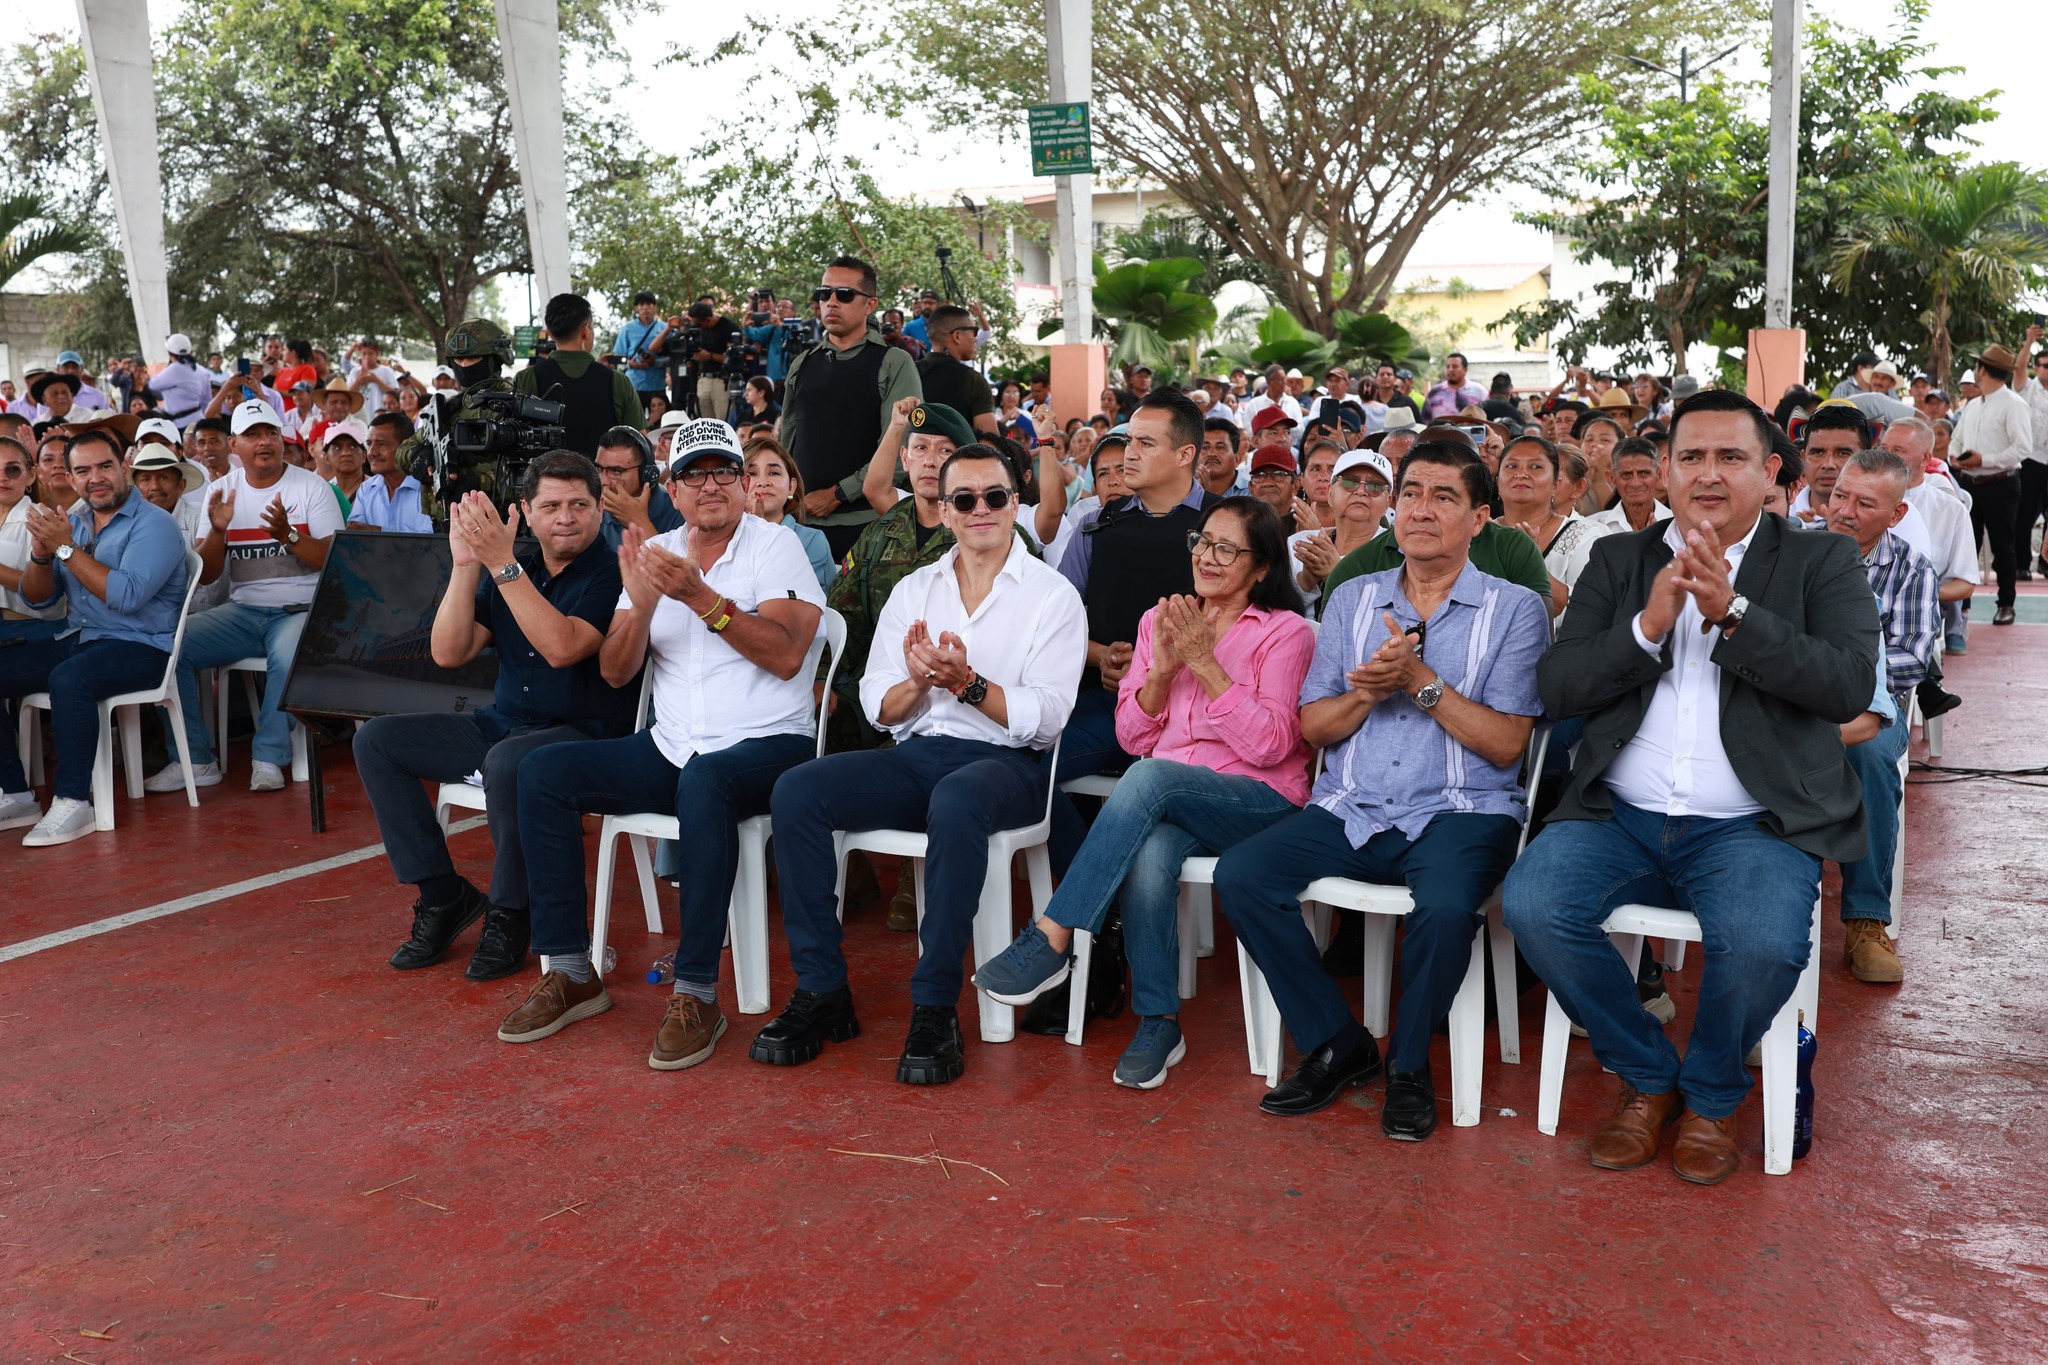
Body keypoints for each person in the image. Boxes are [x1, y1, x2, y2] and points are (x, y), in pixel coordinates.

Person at [1503, 389, 1881, 1186]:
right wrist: (1646, 628)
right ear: (1666, 470)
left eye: (1730, 456)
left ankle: (1711, 1092)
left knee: (1763, 942)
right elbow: (1559, 686)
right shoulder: (1621, 559)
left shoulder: (1820, 560)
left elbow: (1847, 685)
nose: (1708, 474)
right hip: (1620, 814)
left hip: (1753, 822)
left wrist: (1734, 612)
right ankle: (1648, 1074)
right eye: (1691, 457)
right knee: (1533, 903)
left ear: (1769, 471)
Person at [1214, 440, 1550, 1140]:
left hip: (1461, 808)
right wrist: (1368, 693)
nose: (1421, 509)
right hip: (1354, 804)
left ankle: (1408, 1063)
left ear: (1479, 518)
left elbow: (1507, 744)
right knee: (1242, 873)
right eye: (1413, 493)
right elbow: (1314, 725)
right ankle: (1338, 1041)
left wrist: (1418, 682)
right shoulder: (1353, 598)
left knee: (1446, 907)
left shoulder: (1516, 608)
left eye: (1444, 496)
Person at [758, 443, 1087, 1085]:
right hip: (920, 754)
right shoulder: (917, 589)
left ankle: (935, 1005)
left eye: (995, 496)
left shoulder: (1053, 596)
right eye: (964, 499)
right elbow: (879, 705)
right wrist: (917, 681)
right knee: (798, 789)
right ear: (945, 509)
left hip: (1011, 765)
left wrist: (967, 685)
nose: (981, 509)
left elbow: (1047, 718)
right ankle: (822, 988)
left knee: (958, 799)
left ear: (1015, 503)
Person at [500, 423, 827, 1058]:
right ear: (671, 491)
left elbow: (789, 656)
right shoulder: (655, 552)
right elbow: (615, 671)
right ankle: (570, 970)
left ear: (743, 484)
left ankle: (697, 992)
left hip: (771, 743)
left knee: (708, 777)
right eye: (694, 475)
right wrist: (644, 606)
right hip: (674, 744)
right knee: (541, 772)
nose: (711, 486)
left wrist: (702, 598)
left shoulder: (776, 546)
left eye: (724, 471)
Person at [974, 497, 1314, 1085]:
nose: (1207, 557)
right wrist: (1161, 672)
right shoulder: (1160, 622)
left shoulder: (1287, 633)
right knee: (1150, 853)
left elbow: (1271, 745)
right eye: (1201, 542)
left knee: (1149, 778)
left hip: (1259, 799)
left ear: (1262, 567)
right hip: (1171, 798)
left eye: (1226, 549)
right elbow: (1132, 736)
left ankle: (1053, 934)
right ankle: (1159, 1021)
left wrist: (1205, 665)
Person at [353, 451, 632, 980]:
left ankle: (511, 911)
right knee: (377, 741)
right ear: (525, 511)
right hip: (504, 725)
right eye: (551, 506)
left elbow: (563, 648)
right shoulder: (517, 566)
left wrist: (502, 566)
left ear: (600, 510)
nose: (566, 518)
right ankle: (443, 897)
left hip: (587, 735)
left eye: (579, 505)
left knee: (509, 762)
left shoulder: (613, 572)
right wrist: (464, 566)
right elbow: (448, 652)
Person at [0, 428, 190, 844]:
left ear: (125, 467)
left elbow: (126, 596)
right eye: (83, 471)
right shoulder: (77, 521)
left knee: (70, 678)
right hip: (82, 637)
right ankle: (14, 793)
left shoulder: (154, 524)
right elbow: (38, 598)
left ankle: (74, 801)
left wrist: (65, 549)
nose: (96, 478)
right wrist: (41, 556)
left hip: (142, 647)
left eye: (105, 466)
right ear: (70, 479)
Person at [1053, 389, 1217, 865]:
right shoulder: (1096, 526)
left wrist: (1153, 673)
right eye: (1129, 441)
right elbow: (1055, 624)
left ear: (1184, 454)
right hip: (1107, 704)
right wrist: (1100, 656)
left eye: (1145, 443)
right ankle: (1094, 892)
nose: (1129, 453)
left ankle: (1099, 893)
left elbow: (1251, 629)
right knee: (1021, 769)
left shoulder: (1227, 526)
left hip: (1196, 714)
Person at [158, 399, 344, 794]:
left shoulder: (310, 486)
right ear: (234, 445)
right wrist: (217, 532)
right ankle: (195, 760)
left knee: (289, 656)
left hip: (302, 611)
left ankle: (269, 756)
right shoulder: (222, 490)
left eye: (271, 433)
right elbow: (208, 575)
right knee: (170, 646)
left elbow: (335, 562)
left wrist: (288, 535)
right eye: (253, 434)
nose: (264, 442)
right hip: (243, 612)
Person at [1824, 448, 1939, 985]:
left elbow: (1913, 657)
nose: (1844, 511)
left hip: (1871, 701)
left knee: (1869, 753)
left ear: (1896, 514)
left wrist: (1842, 671)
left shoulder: (1911, 567)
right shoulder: (1793, 549)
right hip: (1792, 694)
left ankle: (1866, 920)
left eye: (1865, 504)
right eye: (1839, 495)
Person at [779, 257, 924, 558]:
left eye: (844, 294)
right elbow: (785, 445)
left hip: (866, 525)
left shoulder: (893, 362)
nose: (831, 302)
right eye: (824, 293)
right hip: (800, 524)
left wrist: (838, 494)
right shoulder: (802, 363)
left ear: (870, 304)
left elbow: (902, 450)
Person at [0, 435, 73, 829]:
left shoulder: (42, 519)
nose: (3, 478)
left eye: (12, 470)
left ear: (30, 475)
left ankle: (14, 792)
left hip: (42, 634)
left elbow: (43, 595)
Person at [1949, 344, 2034, 625]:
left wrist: (1984, 459)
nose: (1975, 370)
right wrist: (1955, 457)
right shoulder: (1973, 405)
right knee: (1966, 547)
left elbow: (2023, 448)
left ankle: (2006, 604)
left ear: (1983, 370)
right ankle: (1962, 606)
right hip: (1970, 483)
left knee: (2003, 547)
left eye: (1977, 366)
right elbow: (1957, 439)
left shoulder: (2013, 404)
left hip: (2001, 484)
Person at [515, 293, 646, 456]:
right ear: (585, 330)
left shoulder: (527, 378)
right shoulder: (617, 381)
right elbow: (640, 444)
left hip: (543, 472)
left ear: (549, 333)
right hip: (601, 473)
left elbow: (515, 439)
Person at [1498, 433, 1612, 616]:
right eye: (1511, 466)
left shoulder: (1586, 536)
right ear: (1498, 481)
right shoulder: (1478, 532)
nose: (1521, 474)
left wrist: (1532, 562)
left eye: (1535, 467)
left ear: (1555, 485)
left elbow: (1587, 613)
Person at [1291, 448, 1393, 611]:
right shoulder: (1298, 545)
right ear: (1330, 493)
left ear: (1388, 502)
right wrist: (1306, 582)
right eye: (1350, 482)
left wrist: (1336, 574)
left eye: (1375, 486)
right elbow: (1273, 612)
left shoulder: (1397, 554)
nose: (1361, 491)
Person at [743, 436, 836, 591]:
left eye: (774, 473)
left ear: (791, 487)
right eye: (752, 473)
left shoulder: (812, 541)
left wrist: (760, 533)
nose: (763, 482)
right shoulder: (720, 538)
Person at [591, 425, 684, 551]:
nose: (603, 481)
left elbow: (678, 563)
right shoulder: (594, 509)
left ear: (646, 474)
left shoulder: (679, 512)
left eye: (616, 471)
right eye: (599, 469)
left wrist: (639, 522)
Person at [913, 304, 998, 438]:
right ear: (957, 335)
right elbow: (990, 441)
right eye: (974, 331)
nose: (976, 338)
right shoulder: (972, 380)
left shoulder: (908, 372)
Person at [348, 413, 434, 532]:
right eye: (369, 444)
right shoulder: (366, 489)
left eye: (381, 444)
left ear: (406, 448)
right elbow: (354, 534)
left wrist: (377, 532)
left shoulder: (428, 487)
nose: (372, 452)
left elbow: (432, 540)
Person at [1587, 437, 1669, 533]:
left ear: (1659, 474)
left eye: (1644, 473)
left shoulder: (1676, 523)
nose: (1635, 483)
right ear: (1612, 478)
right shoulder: (1592, 527)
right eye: (1626, 475)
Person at [614, 290, 673, 402]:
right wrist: (630, 363)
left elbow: (673, 357)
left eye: (649, 304)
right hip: (634, 385)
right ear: (637, 308)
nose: (645, 308)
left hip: (657, 385)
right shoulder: (627, 329)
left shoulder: (665, 328)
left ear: (654, 306)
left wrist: (655, 362)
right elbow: (616, 357)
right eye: (641, 305)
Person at [154, 334, 213, 431]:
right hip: (198, 423)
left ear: (169, 353)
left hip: (176, 426)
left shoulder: (171, 372)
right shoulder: (203, 372)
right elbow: (206, 402)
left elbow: (153, 386)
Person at [1423, 352, 1486, 421]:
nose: (1450, 369)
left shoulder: (1479, 392)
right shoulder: (1435, 392)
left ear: (1465, 370)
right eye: (1448, 367)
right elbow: (1425, 420)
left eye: (1455, 366)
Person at [1197, 418, 1243, 499]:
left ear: (1237, 459)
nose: (1212, 454)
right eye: (1205, 447)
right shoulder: (1181, 494)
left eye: (1220, 447)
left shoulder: (1253, 491)